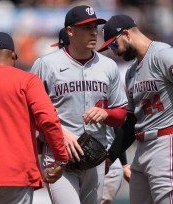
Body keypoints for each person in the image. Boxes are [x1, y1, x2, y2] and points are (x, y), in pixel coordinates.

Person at [98, 15, 173, 203]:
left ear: (126, 34)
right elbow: (131, 121)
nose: (114, 52)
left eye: (113, 45)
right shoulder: (131, 73)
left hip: (166, 142)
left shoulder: (163, 54)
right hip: (142, 148)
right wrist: (110, 156)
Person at [31, 5, 128, 204]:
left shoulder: (108, 66)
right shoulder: (46, 65)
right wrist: (57, 131)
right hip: (59, 155)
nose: (94, 32)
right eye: (86, 27)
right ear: (70, 31)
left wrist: (106, 114)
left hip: (95, 156)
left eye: (95, 26)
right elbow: (30, 112)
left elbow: (121, 115)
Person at [0, 32, 69, 204]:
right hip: (15, 172)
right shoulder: (27, 80)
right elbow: (48, 120)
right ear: (13, 55)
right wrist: (61, 158)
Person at [50, 27, 131, 204]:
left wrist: (118, 160)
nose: (60, 52)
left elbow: (119, 122)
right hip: (100, 158)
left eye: (62, 47)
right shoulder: (62, 74)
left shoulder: (98, 73)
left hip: (102, 159)